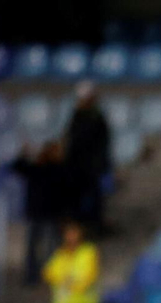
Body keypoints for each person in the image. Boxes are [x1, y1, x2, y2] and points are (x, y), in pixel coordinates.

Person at [11, 141, 70, 285]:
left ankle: (52, 277)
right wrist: (24, 155)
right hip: (36, 214)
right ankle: (32, 277)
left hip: (51, 215)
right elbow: (17, 167)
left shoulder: (59, 169)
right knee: (33, 248)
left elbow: (65, 193)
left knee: (51, 248)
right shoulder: (37, 168)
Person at [63, 82, 111, 225]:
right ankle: (76, 222)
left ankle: (93, 223)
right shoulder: (76, 115)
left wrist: (101, 164)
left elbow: (102, 142)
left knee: (93, 196)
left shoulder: (96, 117)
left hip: (92, 166)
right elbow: (72, 139)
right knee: (76, 198)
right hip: (76, 166)